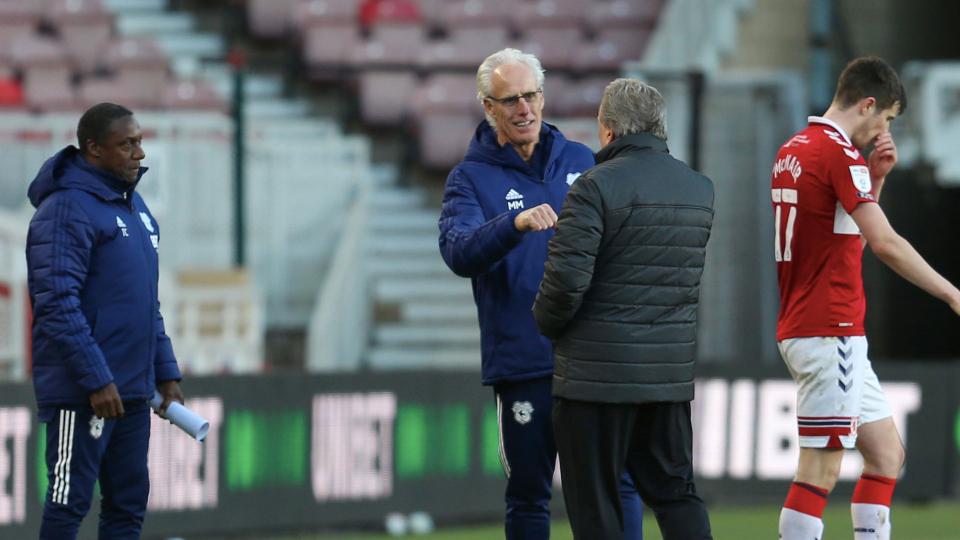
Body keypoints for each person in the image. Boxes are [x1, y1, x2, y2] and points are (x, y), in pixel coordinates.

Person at [438, 49, 645, 539]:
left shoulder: (580, 160)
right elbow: (458, 252)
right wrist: (514, 223)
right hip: (524, 363)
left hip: (592, 359)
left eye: (531, 95)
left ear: (544, 96)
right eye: (510, 100)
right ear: (488, 107)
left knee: (616, 483)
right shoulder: (468, 179)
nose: (524, 108)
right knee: (530, 495)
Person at [770, 57, 960, 540]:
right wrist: (951, 293)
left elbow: (838, 237)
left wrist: (874, 182)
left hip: (819, 327)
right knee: (819, 471)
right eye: (888, 118)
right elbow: (885, 244)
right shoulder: (838, 153)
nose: (884, 130)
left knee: (886, 455)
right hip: (828, 328)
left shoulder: (794, 148)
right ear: (868, 103)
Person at [533, 78, 714, 540]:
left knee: (597, 507)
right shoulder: (699, 189)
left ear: (608, 131)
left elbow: (565, 283)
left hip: (595, 381)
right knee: (676, 494)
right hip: (666, 380)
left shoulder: (595, 186)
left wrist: (547, 325)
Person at [26, 102, 185, 539]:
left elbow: (145, 303)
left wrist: (165, 371)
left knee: (127, 507)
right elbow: (56, 302)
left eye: (139, 142)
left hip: (132, 390)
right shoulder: (65, 210)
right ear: (94, 149)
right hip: (85, 393)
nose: (139, 154)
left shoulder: (134, 207)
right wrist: (96, 378)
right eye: (127, 144)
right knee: (68, 504)